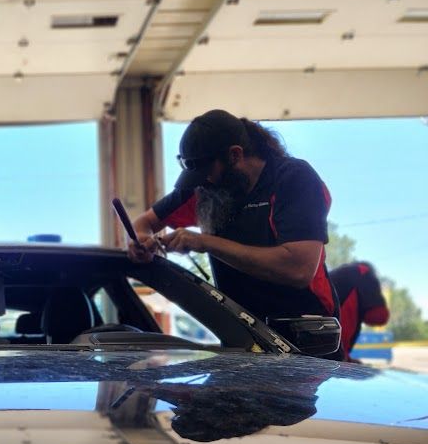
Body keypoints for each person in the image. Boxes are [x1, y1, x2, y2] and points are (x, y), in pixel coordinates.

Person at [127, 109, 340, 354]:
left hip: (307, 339)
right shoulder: (204, 188)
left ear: (235, 155)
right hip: (242, 339)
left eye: (207, 173)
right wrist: (141, 243)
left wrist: (205, 242)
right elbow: (144, 223)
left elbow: (298, 269)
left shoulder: (293, 179)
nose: (203, 183)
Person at [329, 261, 390, 360]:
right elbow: (379, 316)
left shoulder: (333, 274)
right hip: (335, 352)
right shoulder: (364, 272)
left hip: (313, 347)